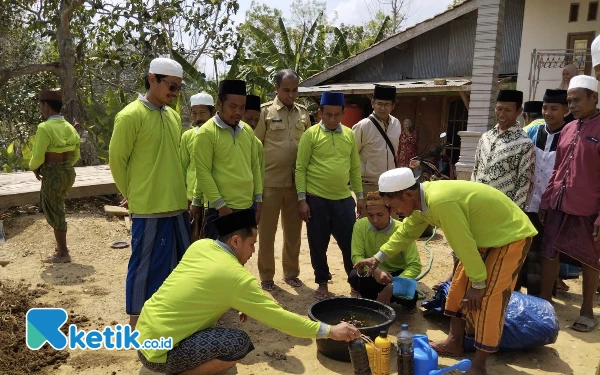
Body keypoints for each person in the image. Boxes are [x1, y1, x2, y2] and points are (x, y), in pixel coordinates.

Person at [354, 168, 537, 375]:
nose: (394, 212)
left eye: (394, 206)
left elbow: (463, 245)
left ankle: (479, 366)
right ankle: (454, 342)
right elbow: (406, 233)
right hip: (485, 238)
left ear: (407, 194)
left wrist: (478, 284)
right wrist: (378, 258)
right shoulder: (421, 203)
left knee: (487, 298)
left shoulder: (440, 202)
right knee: (458, 288)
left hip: (509, 237)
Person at [135, 209, 360, 375]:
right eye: (252, 244)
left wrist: (236, 302)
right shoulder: (236, 277)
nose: (253, 251)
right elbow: (281, 319)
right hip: (159, 356)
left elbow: (195, 287)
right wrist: (330, 331)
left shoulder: (201, 246)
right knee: (238, 343)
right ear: (235, 241)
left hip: (143, 335)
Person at [109, 57, 190, 329]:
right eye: (171, 86)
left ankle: (170, 319)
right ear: (152, 79)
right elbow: (117, 160)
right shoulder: (130, 115)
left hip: (177, 204)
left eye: (178, 88)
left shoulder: (173, 116)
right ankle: (136, 323)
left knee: (179, 267)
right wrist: (131, 193)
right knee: (144, 266)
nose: (174, 93)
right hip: (149, 206)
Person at [539, 75, 600, 332]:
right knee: (550, 251)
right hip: (558, 202)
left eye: (577, 100)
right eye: (569, 100)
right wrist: (546, 198)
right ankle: (543, 304)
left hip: (588, 207)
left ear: (594, 98)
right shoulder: (567, 128)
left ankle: (587, 311)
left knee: (591, 259)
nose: (572, 105)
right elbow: (557, 168)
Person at [296, 91, 364, 300]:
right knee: (318, 244)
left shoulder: (350, 135)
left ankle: (354, 282)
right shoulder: (311, 135)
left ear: (343, 113)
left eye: (337, 114)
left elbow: (354, 167)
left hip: (343, 200)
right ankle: (322, 283)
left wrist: (360, 196)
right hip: (316, 199)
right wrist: (302, 199)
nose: (333, 119)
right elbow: (300, 168)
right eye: (328, 115)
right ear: (320, 113)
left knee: (350, 245)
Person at [254, 70, 311, 291]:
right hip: (270, 183)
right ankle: (267, 276)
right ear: (276, 88)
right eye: (286, 90)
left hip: (296, 185)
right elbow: (255, 147)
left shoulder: (304, 114)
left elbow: (308, 146)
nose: (291, 94)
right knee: (267, 234)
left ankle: (291, 273)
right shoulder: (265, 112)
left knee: (293, 234)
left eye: (295, 89)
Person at [190, 80, 263, 240]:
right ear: (219, 104)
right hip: (220, 211)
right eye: (233, 106)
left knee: (240, 258)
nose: (238, 112)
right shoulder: (206, 133)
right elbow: (203, 173)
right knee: (218, 259)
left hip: (247, 208)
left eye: (242, 107)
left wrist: (258, 200)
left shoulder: (247, 131)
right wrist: (221, 206)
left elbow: (255, 167)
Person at [516, 90, 570, 295]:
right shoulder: (533, 133)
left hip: (553, 204)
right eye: (545, 108)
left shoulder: (569, 136)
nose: (548, 113)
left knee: (547, 253)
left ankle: (542, 299)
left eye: (554, 109)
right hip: (528, 200)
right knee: (524, 249)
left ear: (565, 110)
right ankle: (517, 297)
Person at [29, 89, 80, 264]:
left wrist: (34, 168)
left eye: (40, 105)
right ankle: (61, 246)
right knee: (58, 205)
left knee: (55, 210)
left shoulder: (45, 127)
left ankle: (63, 253)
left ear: (46, 106)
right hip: (68, 171)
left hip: (53, 172)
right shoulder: (69, 127)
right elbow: (75, 153)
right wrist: (66, 167)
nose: (40, 109)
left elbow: (38, 155)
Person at [348, 191, 421, 310]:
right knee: (354, 277)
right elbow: (357, 257)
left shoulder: (403, 229)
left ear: (391, 211)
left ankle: (388, 297)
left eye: (380, 214)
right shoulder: (360, 225)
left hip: (396, 275)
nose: (375, 220)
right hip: (372, 272)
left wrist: (392, 286)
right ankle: (372, 300)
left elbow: (414, 265)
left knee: (410, 299)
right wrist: (375, 270)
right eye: (370, 215)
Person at [471, 90, 535, 210]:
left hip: (502, 211)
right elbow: (475, 170)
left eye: (508, 110)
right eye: (499, 109)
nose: (501, 114)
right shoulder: (485, 137)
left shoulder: (524, 144)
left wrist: (515, 214)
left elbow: (524, 184)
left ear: (519, 112)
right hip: (477, 206)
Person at [352, 84, 401, 194]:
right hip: (368, 184)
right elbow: (351, 154)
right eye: (379, 104)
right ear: (373, 103)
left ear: (393, 106)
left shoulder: (396, 124)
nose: (383, 108)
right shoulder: (363, 126)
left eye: (387, 104)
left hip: (389, 184)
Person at [181, 92, 215, 242]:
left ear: (212, 112)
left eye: (202, 113)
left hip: (211, 198)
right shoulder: (187, 136)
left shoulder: (218, 135)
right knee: (192, 239)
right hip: (190, 198)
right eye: (194, 113)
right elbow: (182, 166)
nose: (198, 118)